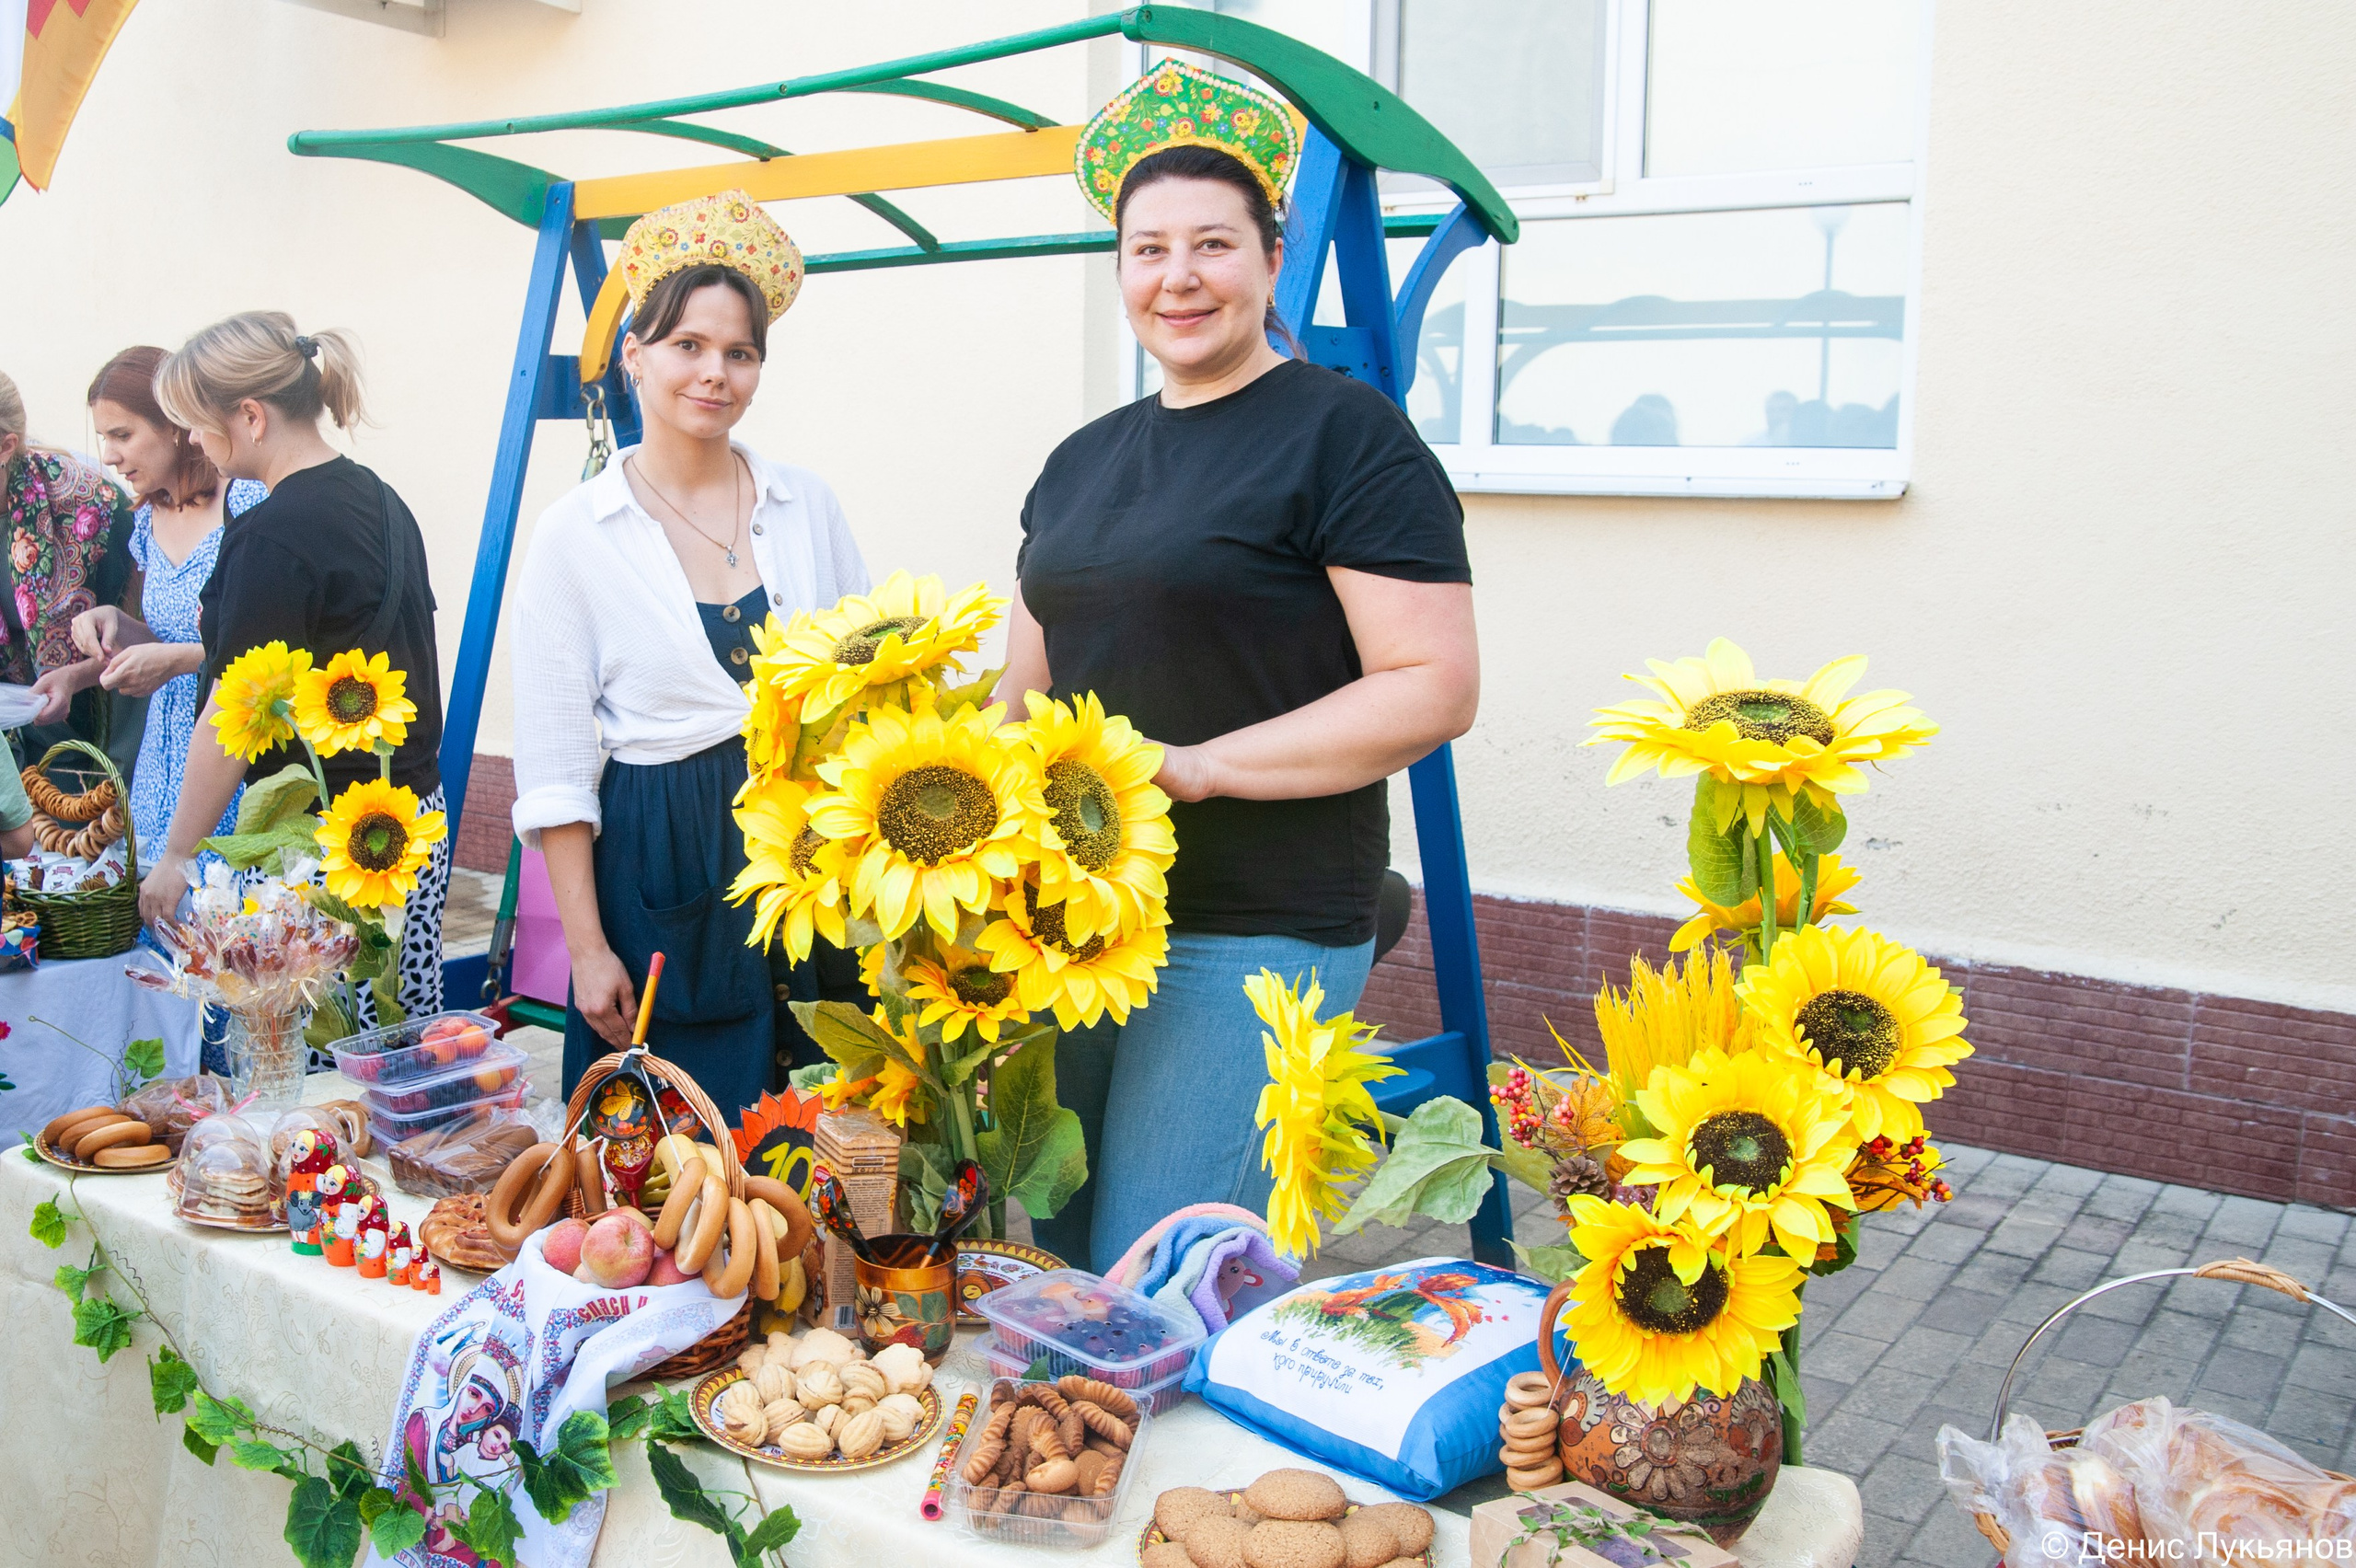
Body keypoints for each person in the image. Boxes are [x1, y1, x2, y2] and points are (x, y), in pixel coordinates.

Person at [1005, 62, 1480, 1271]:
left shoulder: (1344, 435)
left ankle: (1182, 1468)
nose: (1178, 277)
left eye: (1212, 244)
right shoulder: (1080, 459)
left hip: (1256, 918)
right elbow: (1026, 696)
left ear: (1271, 261)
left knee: (1152, 1277)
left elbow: (1431, 683)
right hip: (1082, 930)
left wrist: (1203, 768)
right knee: (1065, 1248)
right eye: (1146, 250)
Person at [510, 189, 869, 1116]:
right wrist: (587, 949)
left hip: (807, 864)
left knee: (833, 1136)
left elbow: (865, 687)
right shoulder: (575, 535)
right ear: (635, 355)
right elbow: (554, 769)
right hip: (663, 867)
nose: (715, 373)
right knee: (672, 1153)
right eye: (688, 346)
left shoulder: (806, 505)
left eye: (739, 353)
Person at [141, 314, 450, 1020]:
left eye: (194, 423)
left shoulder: (271, 535)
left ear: (249, 417)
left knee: (313, 1082)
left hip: (319, 845)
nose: (191, 440)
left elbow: (232, 716)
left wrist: (175, 857)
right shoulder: (380, 497)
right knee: (397, 1047)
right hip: (410, 820)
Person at [49, 347, 269, 858]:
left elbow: (274, 655)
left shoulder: (246, 505)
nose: (108, 455)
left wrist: (175, 659)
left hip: (230, 760)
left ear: (174, 425)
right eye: (104, 437)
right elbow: (164, 644)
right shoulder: (147, 522)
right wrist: (100, 646)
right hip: (159, 768)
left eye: (122, 435)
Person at [4, 369, 141, 774]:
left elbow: (149, 636)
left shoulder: (92, 506)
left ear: (6, 446)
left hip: (101, 745)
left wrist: (75, 677)